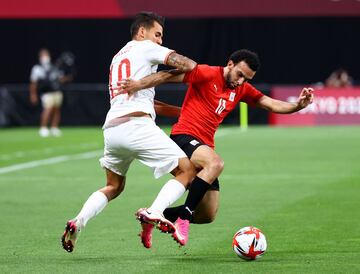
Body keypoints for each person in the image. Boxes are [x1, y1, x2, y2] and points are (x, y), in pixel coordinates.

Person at [119, 49, 314, 248]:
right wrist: (138, 84)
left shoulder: (241, 89)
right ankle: (184, 218)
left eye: (246, 79)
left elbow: (271, 104)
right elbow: (167, 75)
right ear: (230, 64)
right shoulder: (206, 73)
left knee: (207, 214)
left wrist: (298, 105)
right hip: (184, 136)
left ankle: (155, 214)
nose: (240, 81)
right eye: (239, 74)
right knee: (216, 163)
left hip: (203, 146)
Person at [61, 11, 200, 253]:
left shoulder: (118, 58)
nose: (159, 40)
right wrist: (159, 78)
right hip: (137, 126)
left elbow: (147, 102)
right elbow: (189, 65)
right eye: (157, 34)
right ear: (142, 32)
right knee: (186, 170)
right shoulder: (145, 47)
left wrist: (182, 111)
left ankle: (78, 221)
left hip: (113, 129)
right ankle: (154, 211)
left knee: (113, 186)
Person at [29, 49, 64, 137]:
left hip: (56, 91)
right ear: (40, 57)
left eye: (46, 55)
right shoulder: (37, 68)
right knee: (47, 109)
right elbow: (33, 83)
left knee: (56, 109)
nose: (45, 57)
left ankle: (54, 127)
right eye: (43, 55)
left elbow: (60, 79)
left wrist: (67, 77)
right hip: (46, 92)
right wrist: (33, 95)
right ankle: (43, 128)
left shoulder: (53, 66)